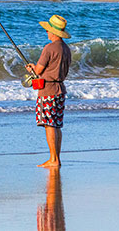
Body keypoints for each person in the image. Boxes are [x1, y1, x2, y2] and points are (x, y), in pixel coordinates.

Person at [26, 15, 71, 168]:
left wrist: (32, 68)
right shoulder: (66, 49)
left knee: (49, 124)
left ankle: (53, 159)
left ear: (53, 32)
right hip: (60, 90)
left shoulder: (49, 48)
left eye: (48, 30)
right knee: (56, 124)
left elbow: (39, 70)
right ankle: (56, 158)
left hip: (48, 90)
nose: (46, 32)